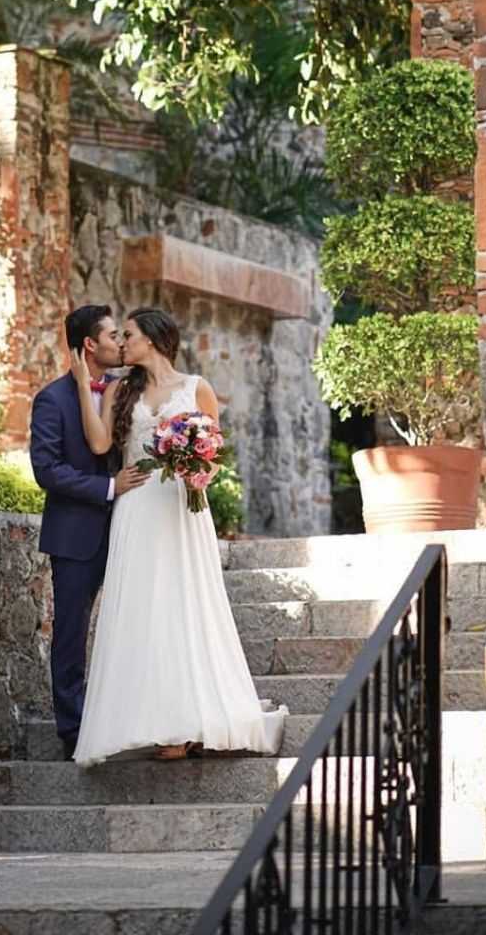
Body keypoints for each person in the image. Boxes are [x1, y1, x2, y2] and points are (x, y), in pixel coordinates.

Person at [69, 306, 286, 765]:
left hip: (182, 508)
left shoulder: (196, 388)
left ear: (151, 338)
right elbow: (100, 444)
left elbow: (213, 455)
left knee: (185, 605)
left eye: (128, 334)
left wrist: (193, 469)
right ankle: (147, 720)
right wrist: (83, 388)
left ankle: (190, 723)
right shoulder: (119, 390)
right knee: (141, 609)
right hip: (136, 507)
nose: (121, 343)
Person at [30, 305, 151, 760]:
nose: (120, 342)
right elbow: (47, 470)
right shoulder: (52, 399)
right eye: (112, 335)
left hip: (130, 527)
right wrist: (108, 487)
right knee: (71, 632)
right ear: (89, 345)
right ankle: (73, 730)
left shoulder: (129, 391)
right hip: (76, 535)